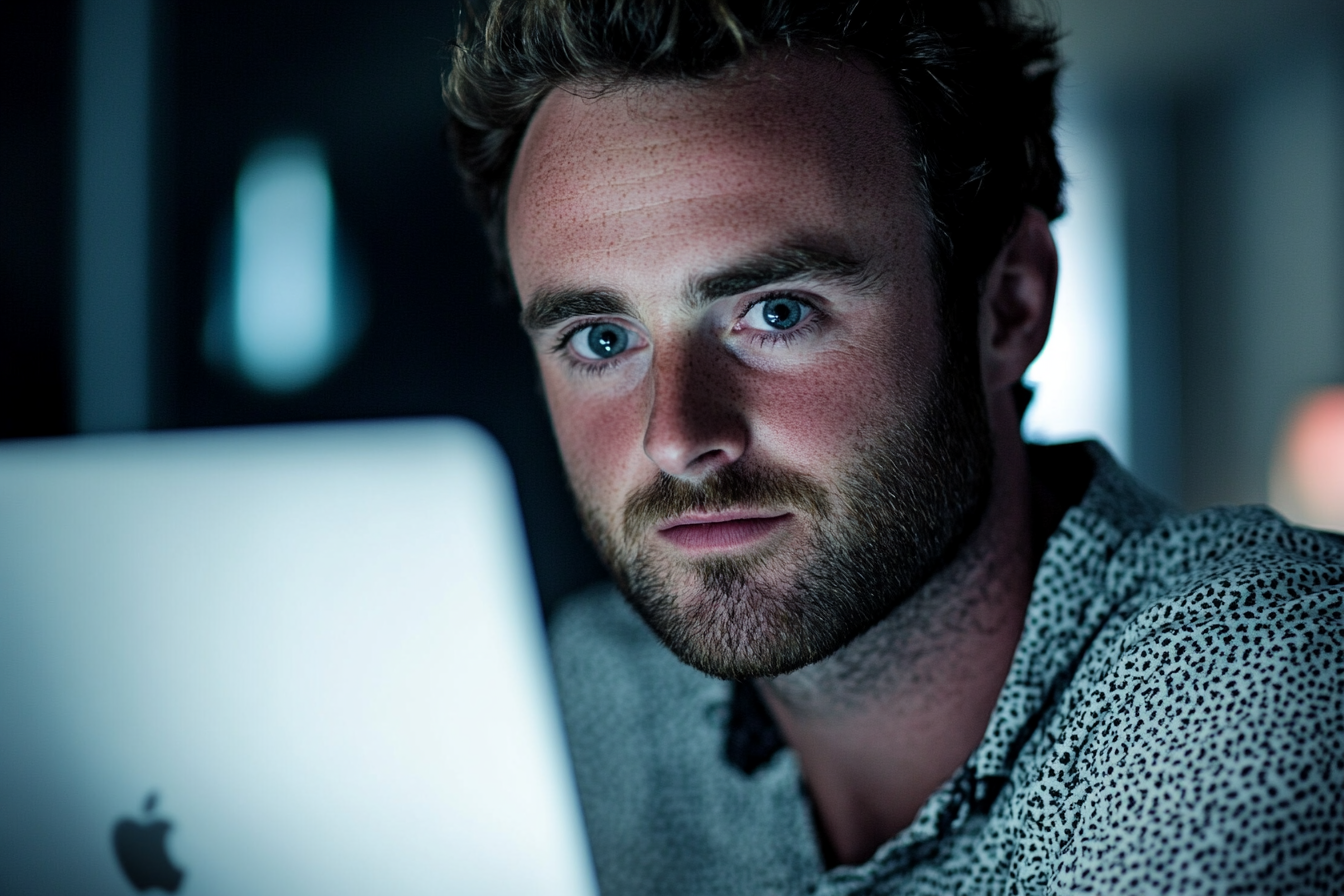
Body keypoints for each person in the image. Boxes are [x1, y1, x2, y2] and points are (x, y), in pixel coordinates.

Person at [443, 1, 1344, 892]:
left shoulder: (1250, 680)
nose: (677, 437)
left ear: (1008, 307)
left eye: (777, 313)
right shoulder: (590, 693)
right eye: (602, 339)